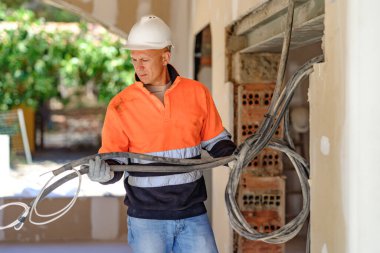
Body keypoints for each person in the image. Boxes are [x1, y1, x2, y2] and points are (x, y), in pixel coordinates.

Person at [87, 15, 236, 253]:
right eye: (134, 59)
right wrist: (103, 173)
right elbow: (114, 160)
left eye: (145, 59)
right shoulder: (121, 105)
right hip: (146, 220)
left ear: (165, 56)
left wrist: (236, 157)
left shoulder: (197, 93)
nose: (138, 67)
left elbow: (216, 140)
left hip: (193, 214)